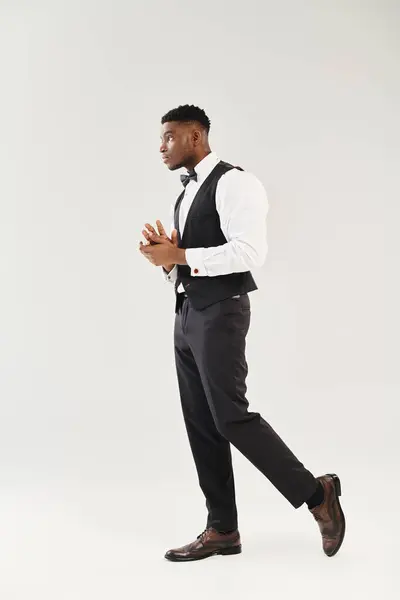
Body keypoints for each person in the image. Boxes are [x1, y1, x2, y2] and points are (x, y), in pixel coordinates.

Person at [139, 104, 345, 562]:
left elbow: (250, 252)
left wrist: (183, 253)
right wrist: (168, 258)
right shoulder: (185, 193)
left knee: (231, 417)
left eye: (169, 137)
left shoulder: (236, 183)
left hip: (222, 314)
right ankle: (222, 530)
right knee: (201, 423)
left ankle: (317, 494)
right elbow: (193, 255)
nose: (161, 146)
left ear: (196, 136)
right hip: (187, 313)